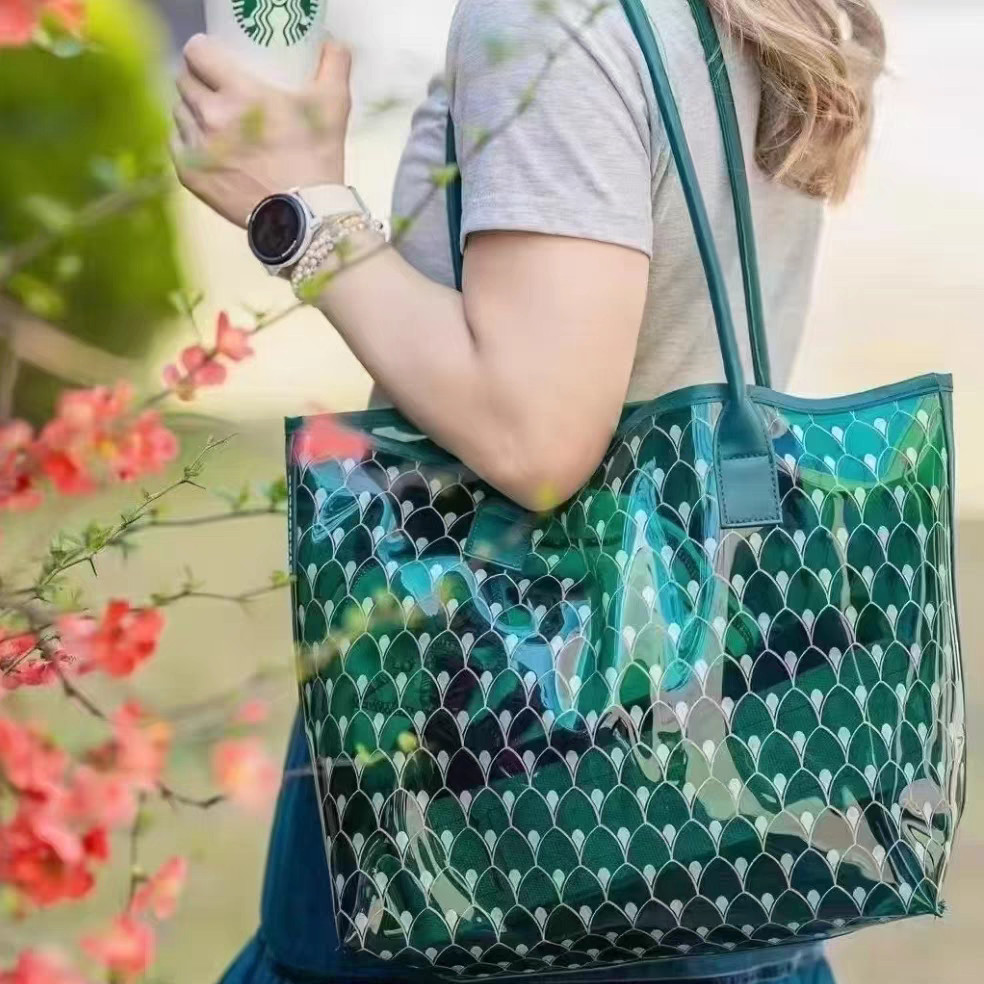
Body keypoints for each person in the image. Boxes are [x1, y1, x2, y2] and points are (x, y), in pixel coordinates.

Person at [172, 1, 885, 981]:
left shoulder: (548, 19)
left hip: (470, 771)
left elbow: (537, 434)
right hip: (720, 797)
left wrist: (298, 214)